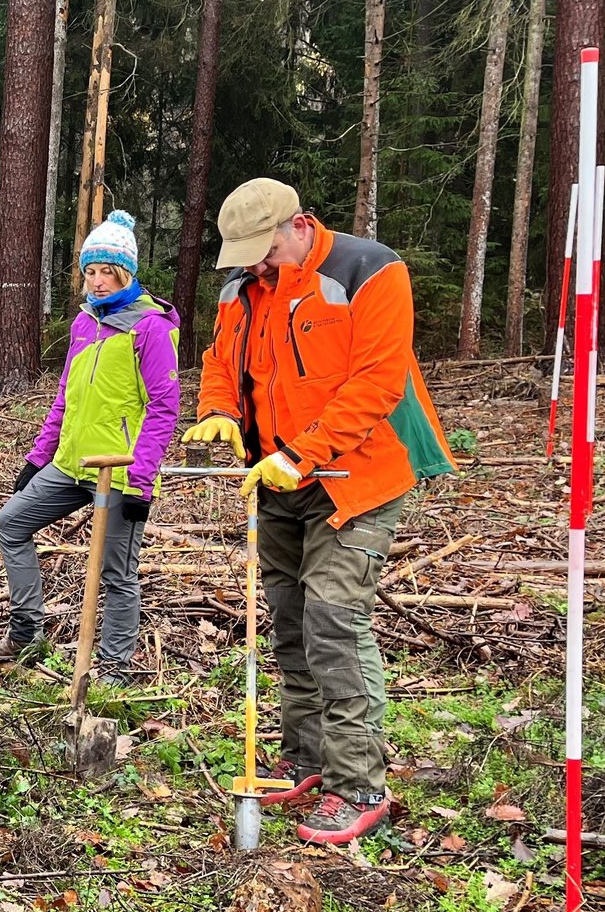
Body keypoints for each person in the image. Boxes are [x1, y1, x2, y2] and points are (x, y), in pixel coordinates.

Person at [181, 178, 454, 845]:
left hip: (355, 475)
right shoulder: (239, 289)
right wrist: (217, 411)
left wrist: (303, 455)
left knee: (334, 618)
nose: (255, 265)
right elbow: (222, 361)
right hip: (276, 476)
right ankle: (305, 756)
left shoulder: (368, 270)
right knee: (291, 615)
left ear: (301, 225)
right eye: (244, 254)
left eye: (265, 250)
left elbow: (377, 382)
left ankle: (359, 784)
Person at [0, 211, 179, 681]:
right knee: (10, 524)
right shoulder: (85, 322)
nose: (97, 282)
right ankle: (28, 632)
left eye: (107, 272)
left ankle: (112, 668)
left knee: (116, 573)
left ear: (125, 272)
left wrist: (140, 481)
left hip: (118, 471)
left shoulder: (150, 328)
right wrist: (37, 458)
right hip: (71, 464)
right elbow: (65, 396)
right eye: (90, 271)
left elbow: (163, 409)